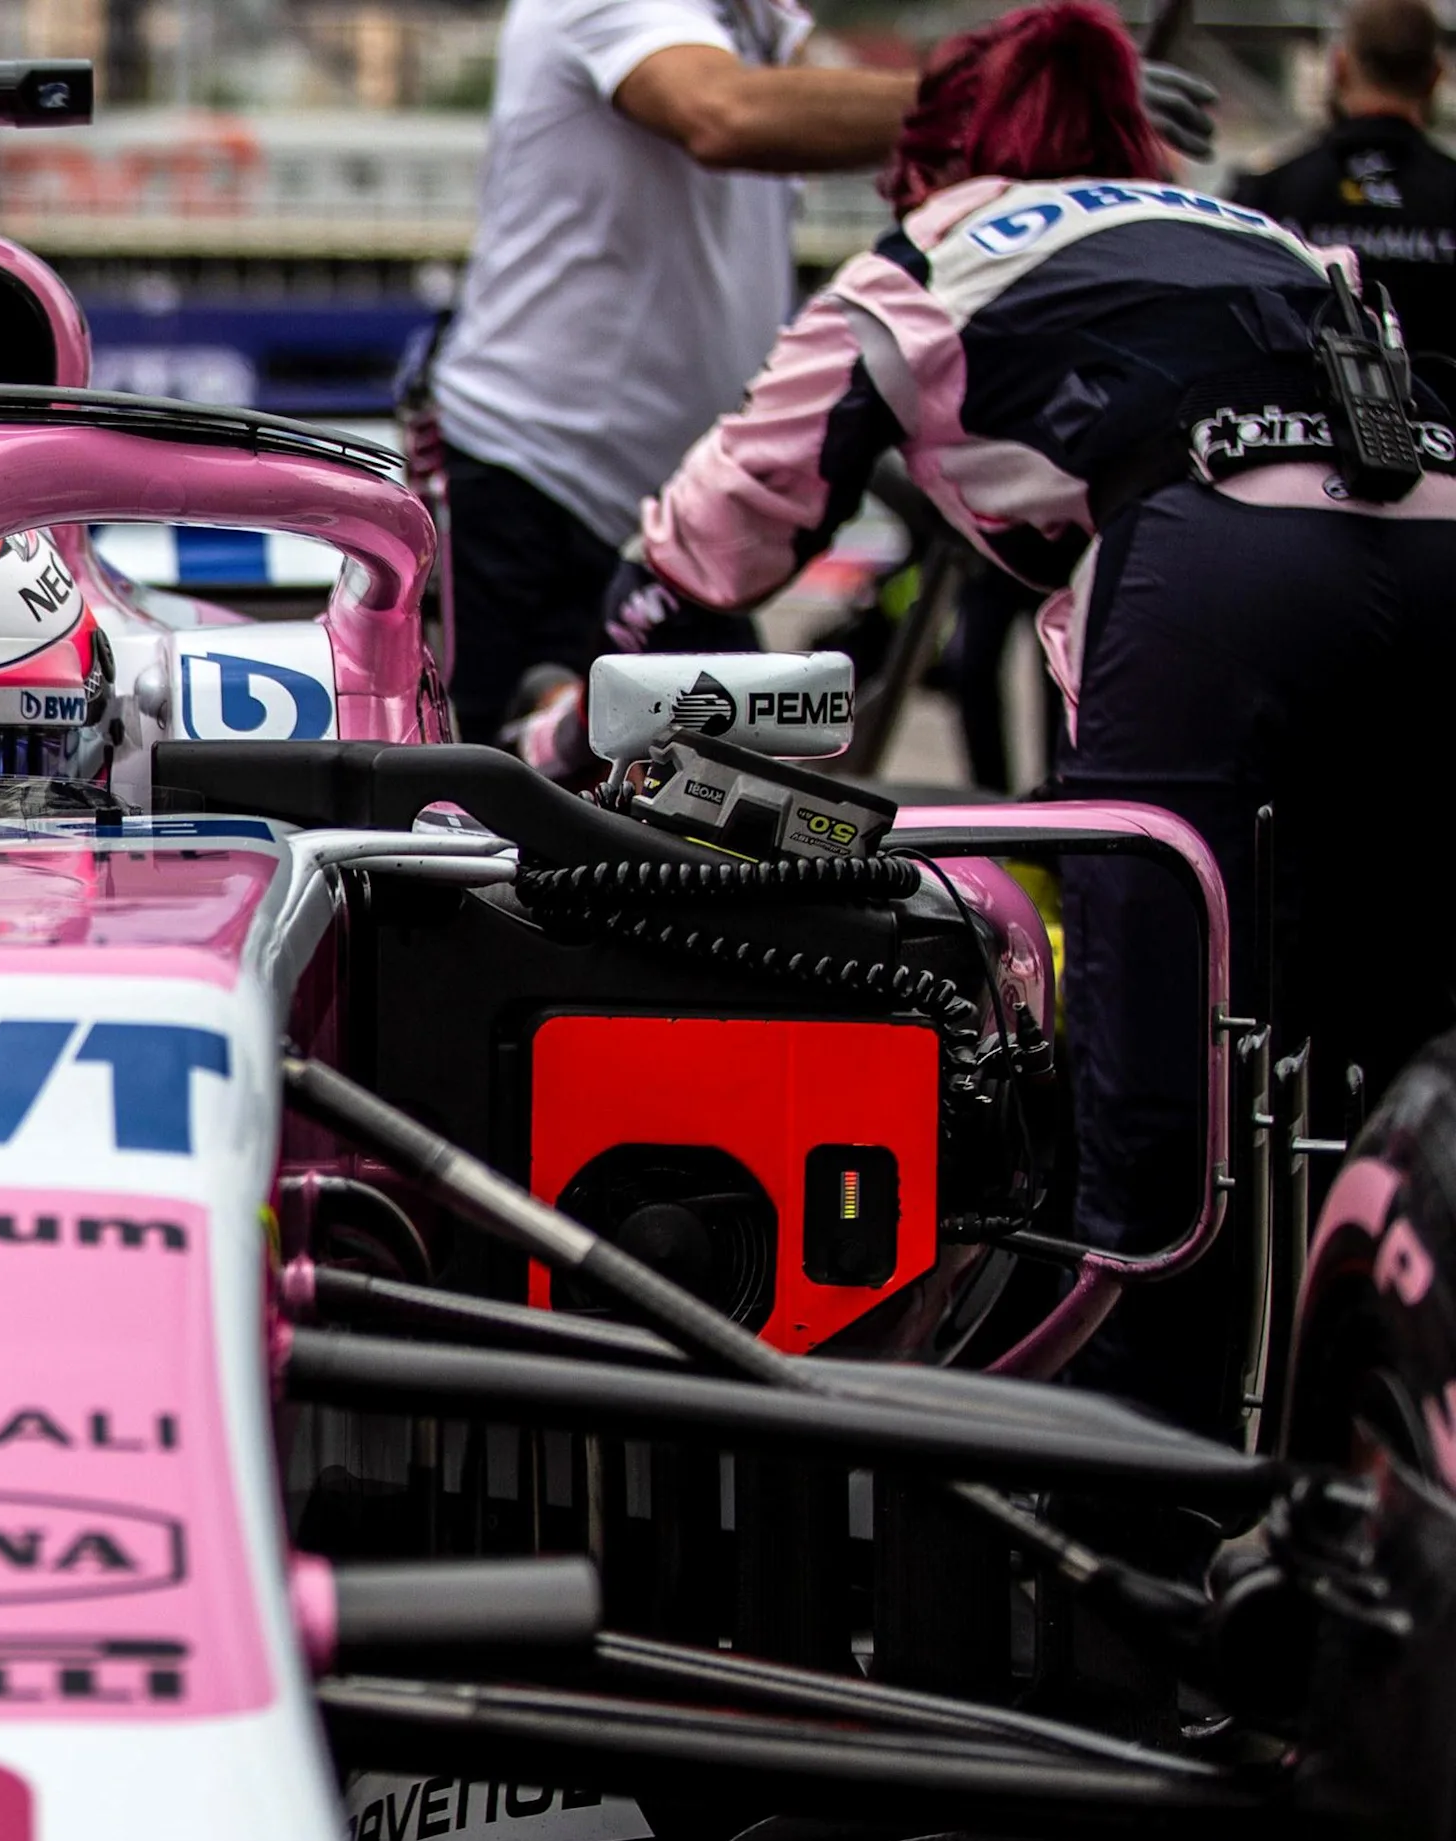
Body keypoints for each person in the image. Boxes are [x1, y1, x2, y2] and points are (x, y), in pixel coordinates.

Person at [611, 0, 1456, 1435]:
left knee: (1160, 1055)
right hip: (1439, 526)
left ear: (932, 150)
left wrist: (597, 715)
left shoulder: (928, 253)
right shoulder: (1252, 232)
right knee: (1402, 1039)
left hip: (1216, 565)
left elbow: (707, 545)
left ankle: (1129, 1480)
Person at [426, 0, 1214, 741]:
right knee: (490, 816)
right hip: (531, 489)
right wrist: (1018, 97)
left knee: (712, 812)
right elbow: (724, 114)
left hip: (683, 512)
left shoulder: (765, 24)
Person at [1230, 0, 1456, 351]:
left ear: (1340, 66)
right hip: (1439, 403)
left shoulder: (1266, 192)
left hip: (1301, 403)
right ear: (1436, 75)